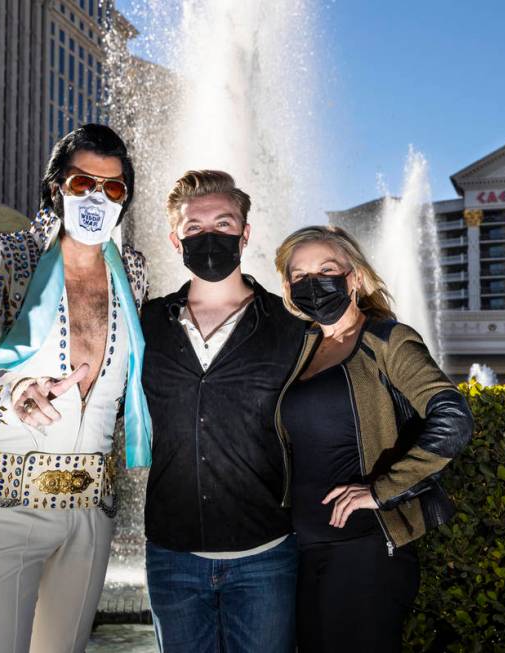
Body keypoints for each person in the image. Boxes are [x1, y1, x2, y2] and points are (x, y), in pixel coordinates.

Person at [0, 124, 152, 653]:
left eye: (113, 188)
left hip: (93, 514)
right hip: (3, 503)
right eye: (82, 184)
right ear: (55, 188)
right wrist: (13, 388)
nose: (97, 197)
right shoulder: (1, 255)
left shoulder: (133, 272)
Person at [273, 225, 474, 653]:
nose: (314, 283)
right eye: (300, 275)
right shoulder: (303, 347)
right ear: (289, 288)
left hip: (365, 548)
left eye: (327, 269)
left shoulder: (386, 339)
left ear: (355, 278)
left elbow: (453, 416)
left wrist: (381, 491)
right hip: (305, 547)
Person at [140, 170, 306, 652]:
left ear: (245, 233)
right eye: (194, 228)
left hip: (267, 555)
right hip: (173, 555)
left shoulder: (291, 324)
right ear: (176, 239)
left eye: (224, 223)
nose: (208, 236)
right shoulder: (147, 322)